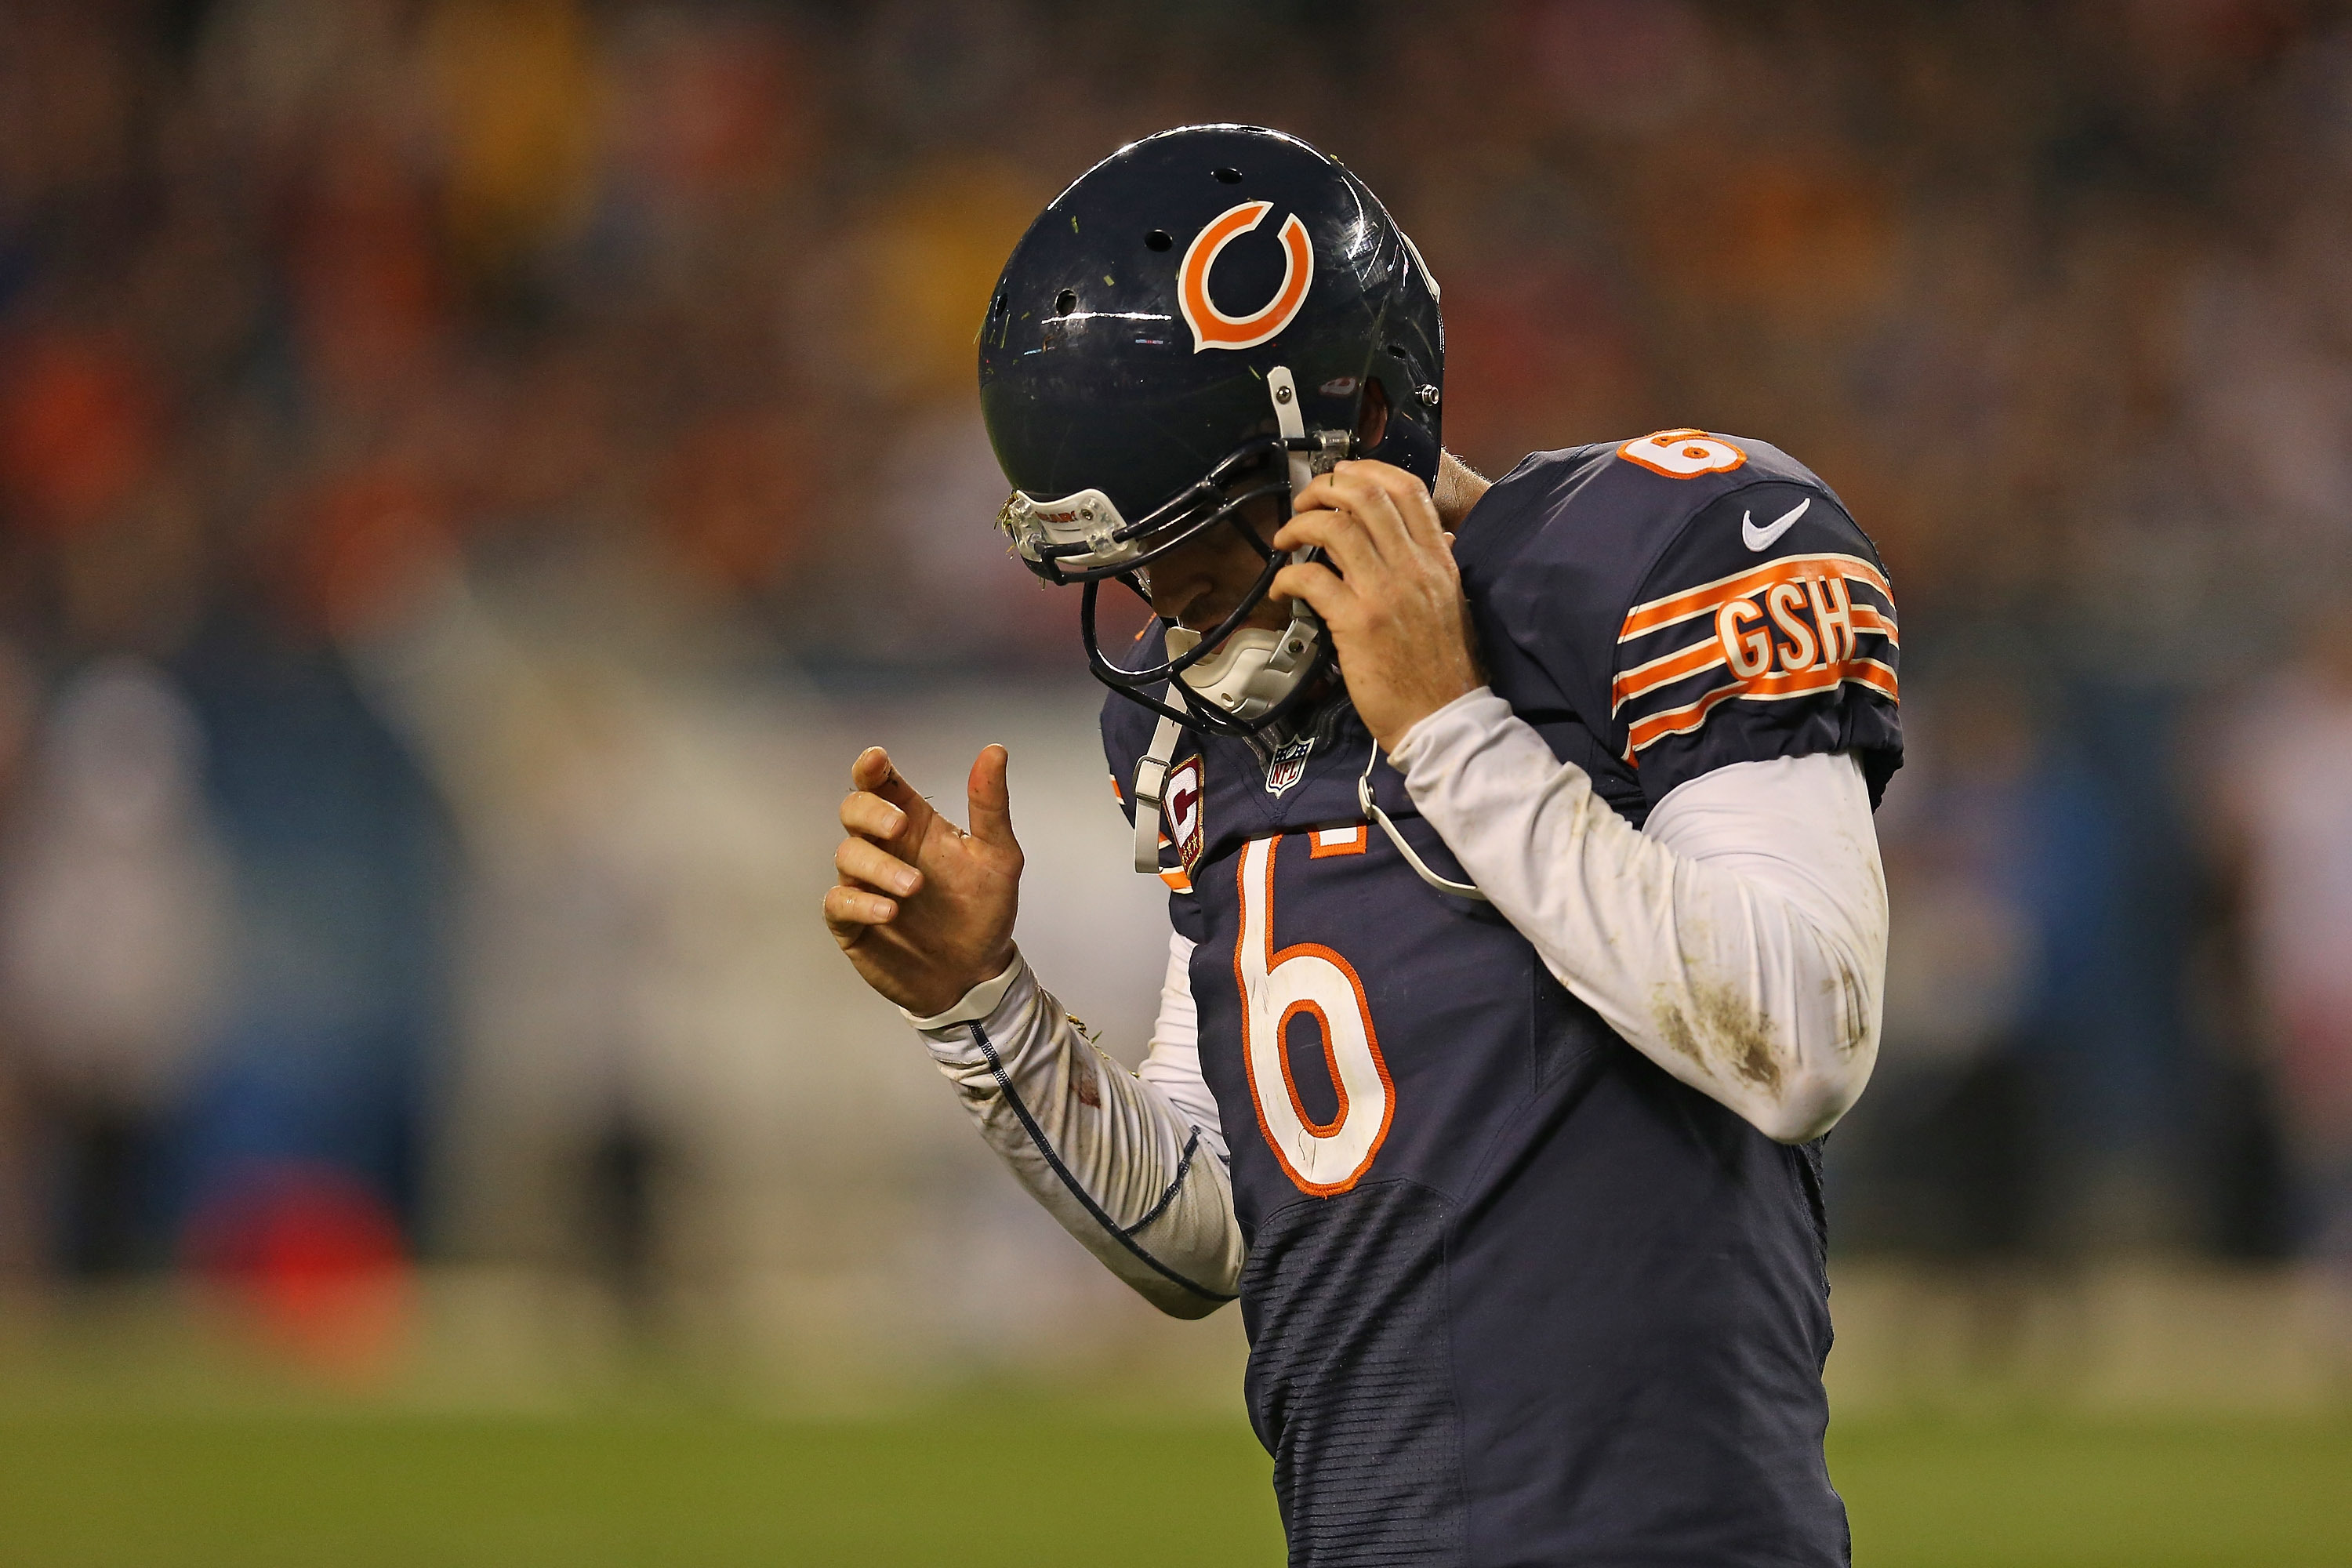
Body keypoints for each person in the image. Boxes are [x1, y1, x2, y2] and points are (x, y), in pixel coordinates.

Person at [824, 125, 1900, 1566]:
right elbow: (1214, 1226)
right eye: (1132, 558)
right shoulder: (1191, 736)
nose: (1165, 594)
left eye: (1198, 534)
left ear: (1359, 422)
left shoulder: (1659, 549)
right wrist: (986, 1013)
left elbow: (1805, 1039)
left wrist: (1450, 727)